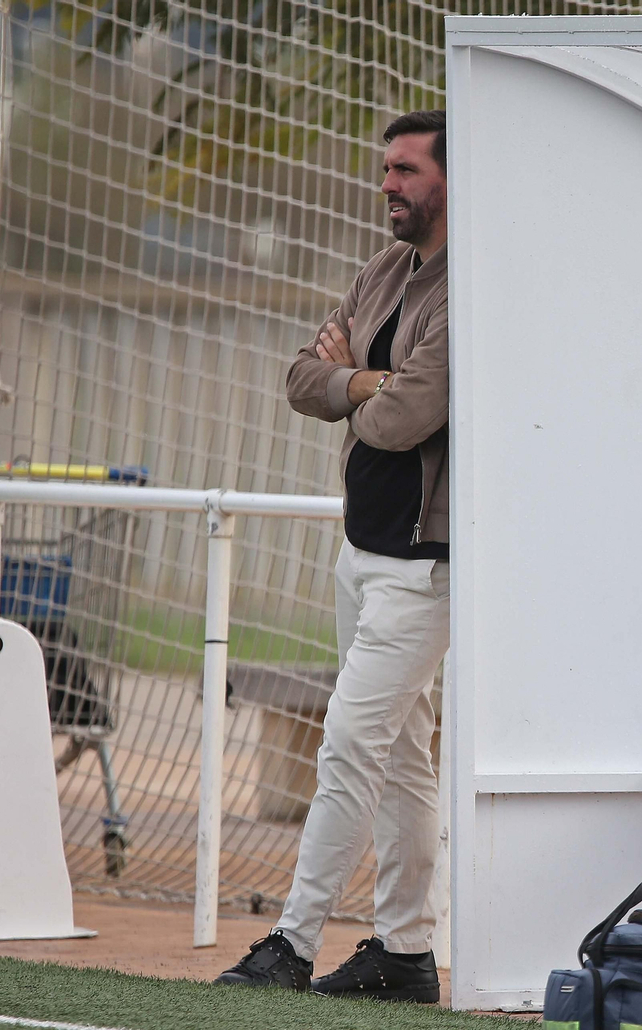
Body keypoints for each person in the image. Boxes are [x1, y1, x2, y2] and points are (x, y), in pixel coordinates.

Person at [213, 109, 451, 1003]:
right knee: (401, 759)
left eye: (406, 171)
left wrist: (357, 383)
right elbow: (300, 379)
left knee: (351, 745)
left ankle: (291, 941)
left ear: (450, 180)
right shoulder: (386, 267)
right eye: (385, 169)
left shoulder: (472, 286)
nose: (388, 185)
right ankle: (406, 952)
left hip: (431, 566)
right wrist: (365, 381)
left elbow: (403, 418)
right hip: (362, 551)